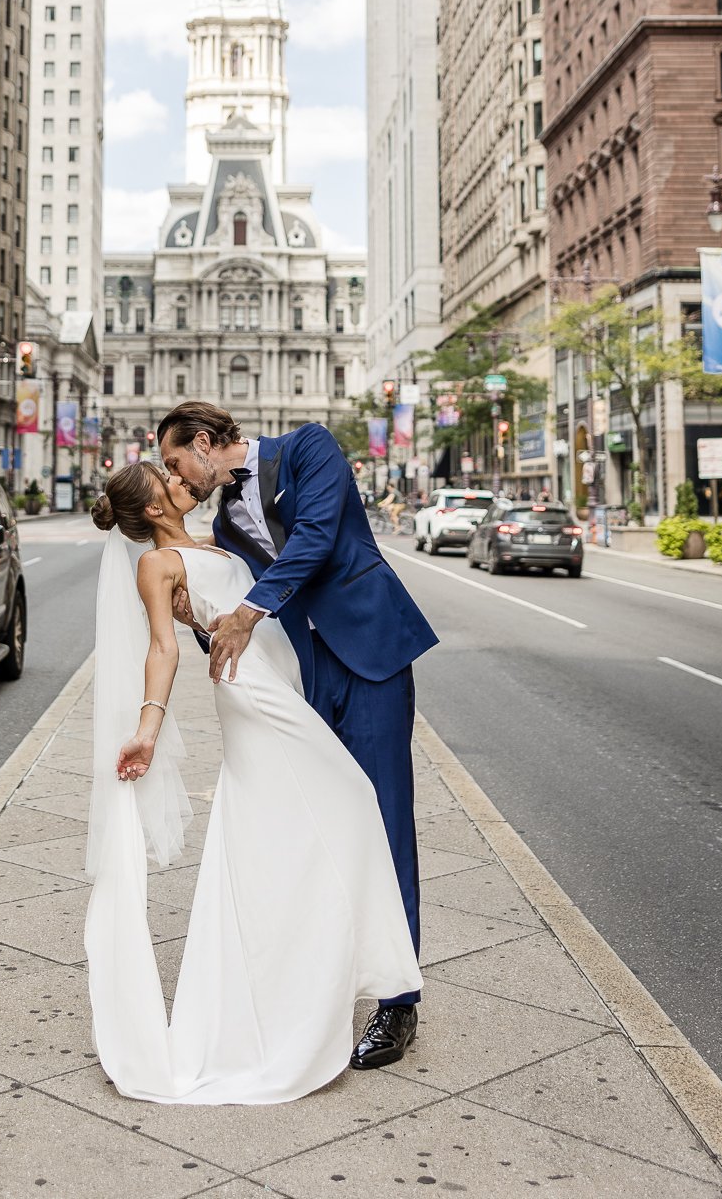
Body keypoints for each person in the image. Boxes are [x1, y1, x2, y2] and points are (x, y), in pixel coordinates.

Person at [85, 461, 420, 1104]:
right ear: (154, 508)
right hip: (253, 697)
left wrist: (203, 621)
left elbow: (240, 605)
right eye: (168, 479)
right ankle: (333, 981)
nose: (181, 481)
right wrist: (148, 728)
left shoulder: (212, 545)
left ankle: (302, 976)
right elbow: (162, 649)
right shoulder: (156, 567)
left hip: (274, 680)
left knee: (279, 837)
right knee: (349, 802)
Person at [158, 401, 438, 1072]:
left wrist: (247, 613)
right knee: (326, 821)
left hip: (367, 653)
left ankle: (398, 1002)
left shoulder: (309, 448)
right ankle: (336, 967)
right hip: (301, 677)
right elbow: (234, 592)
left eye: (175, 462)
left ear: (203, 442)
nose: (177, 477)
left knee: (383, 814)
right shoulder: (226, 520)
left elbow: (315, 538)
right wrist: (200, 617)